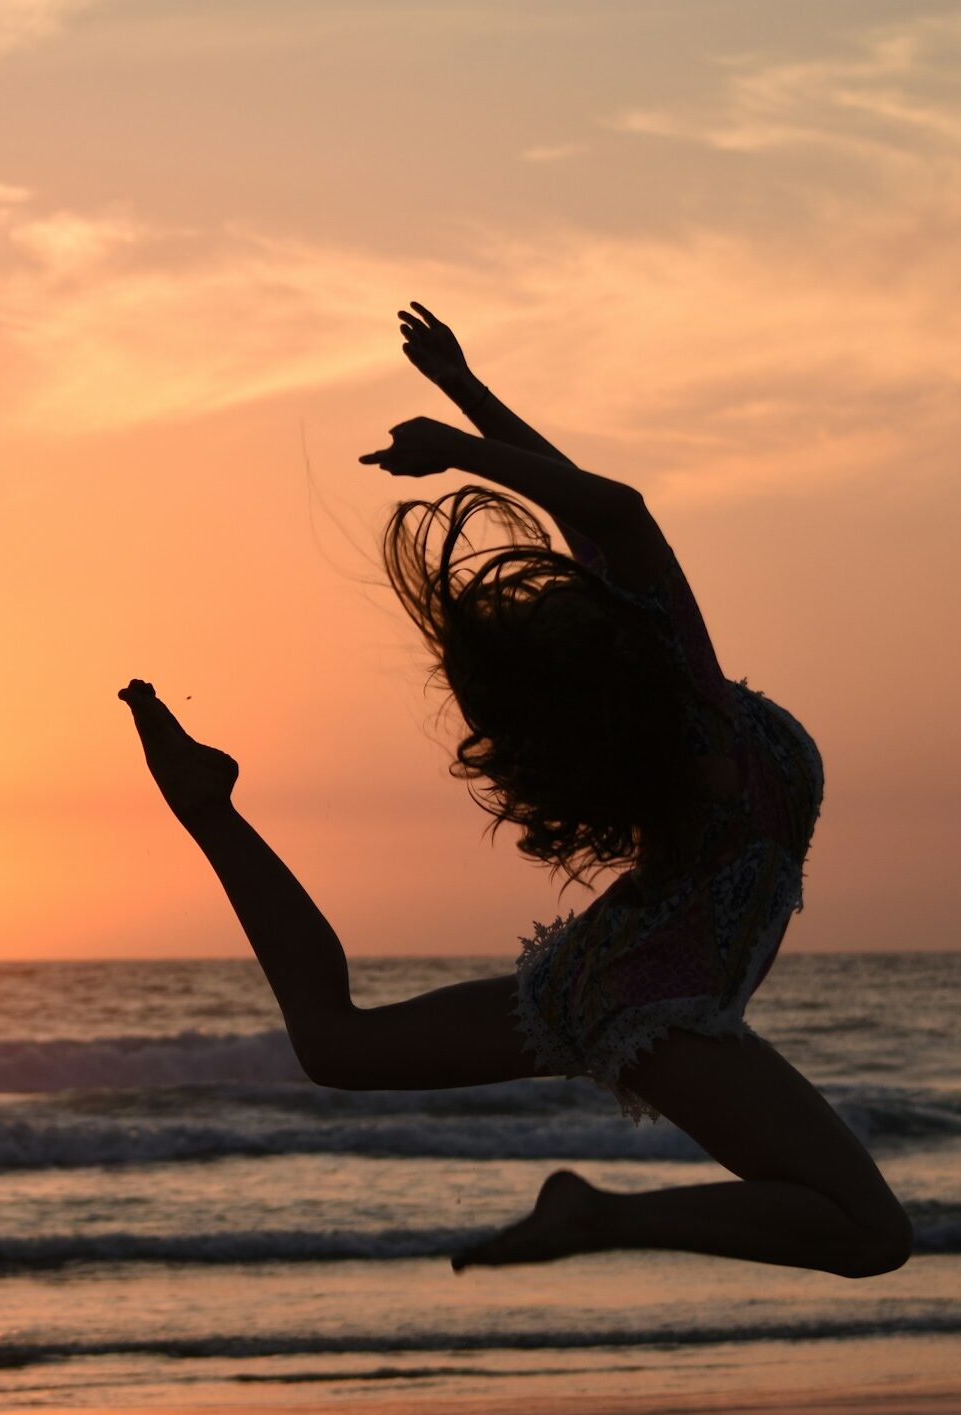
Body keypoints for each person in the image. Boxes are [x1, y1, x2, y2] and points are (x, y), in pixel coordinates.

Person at [119, 303, 912, 1278]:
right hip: (657, 1000)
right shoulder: (687, 692)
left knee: (338, 1045)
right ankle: (598, 1217)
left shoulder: (656, 688)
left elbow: (591, 513)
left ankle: (207, 808)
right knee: (871, 1235)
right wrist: (460, 438)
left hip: (615, 969)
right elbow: (615, 510)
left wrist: (468, 394)